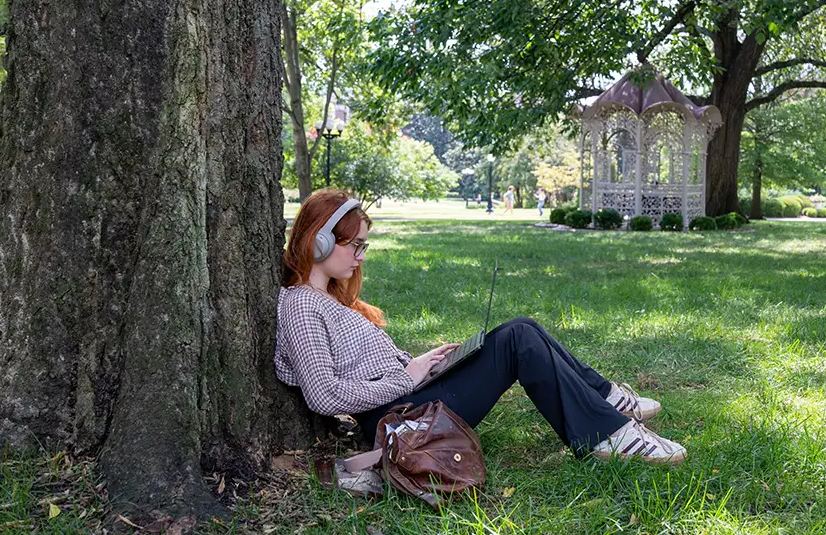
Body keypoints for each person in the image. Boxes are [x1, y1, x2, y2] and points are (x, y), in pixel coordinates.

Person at [274, 189, 686, 464]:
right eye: (355, 245)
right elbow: (323, 395)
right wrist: (406, 377)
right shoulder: (301, 306)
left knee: (522, 327)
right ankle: (608, 434)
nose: (361, 256)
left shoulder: (332, 298)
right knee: (518, 340)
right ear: (321, 242)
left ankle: (607, 400)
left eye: (365, 245)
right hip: (397, 421)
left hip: (406, 397)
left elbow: (364, 368)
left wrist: (424, 365)